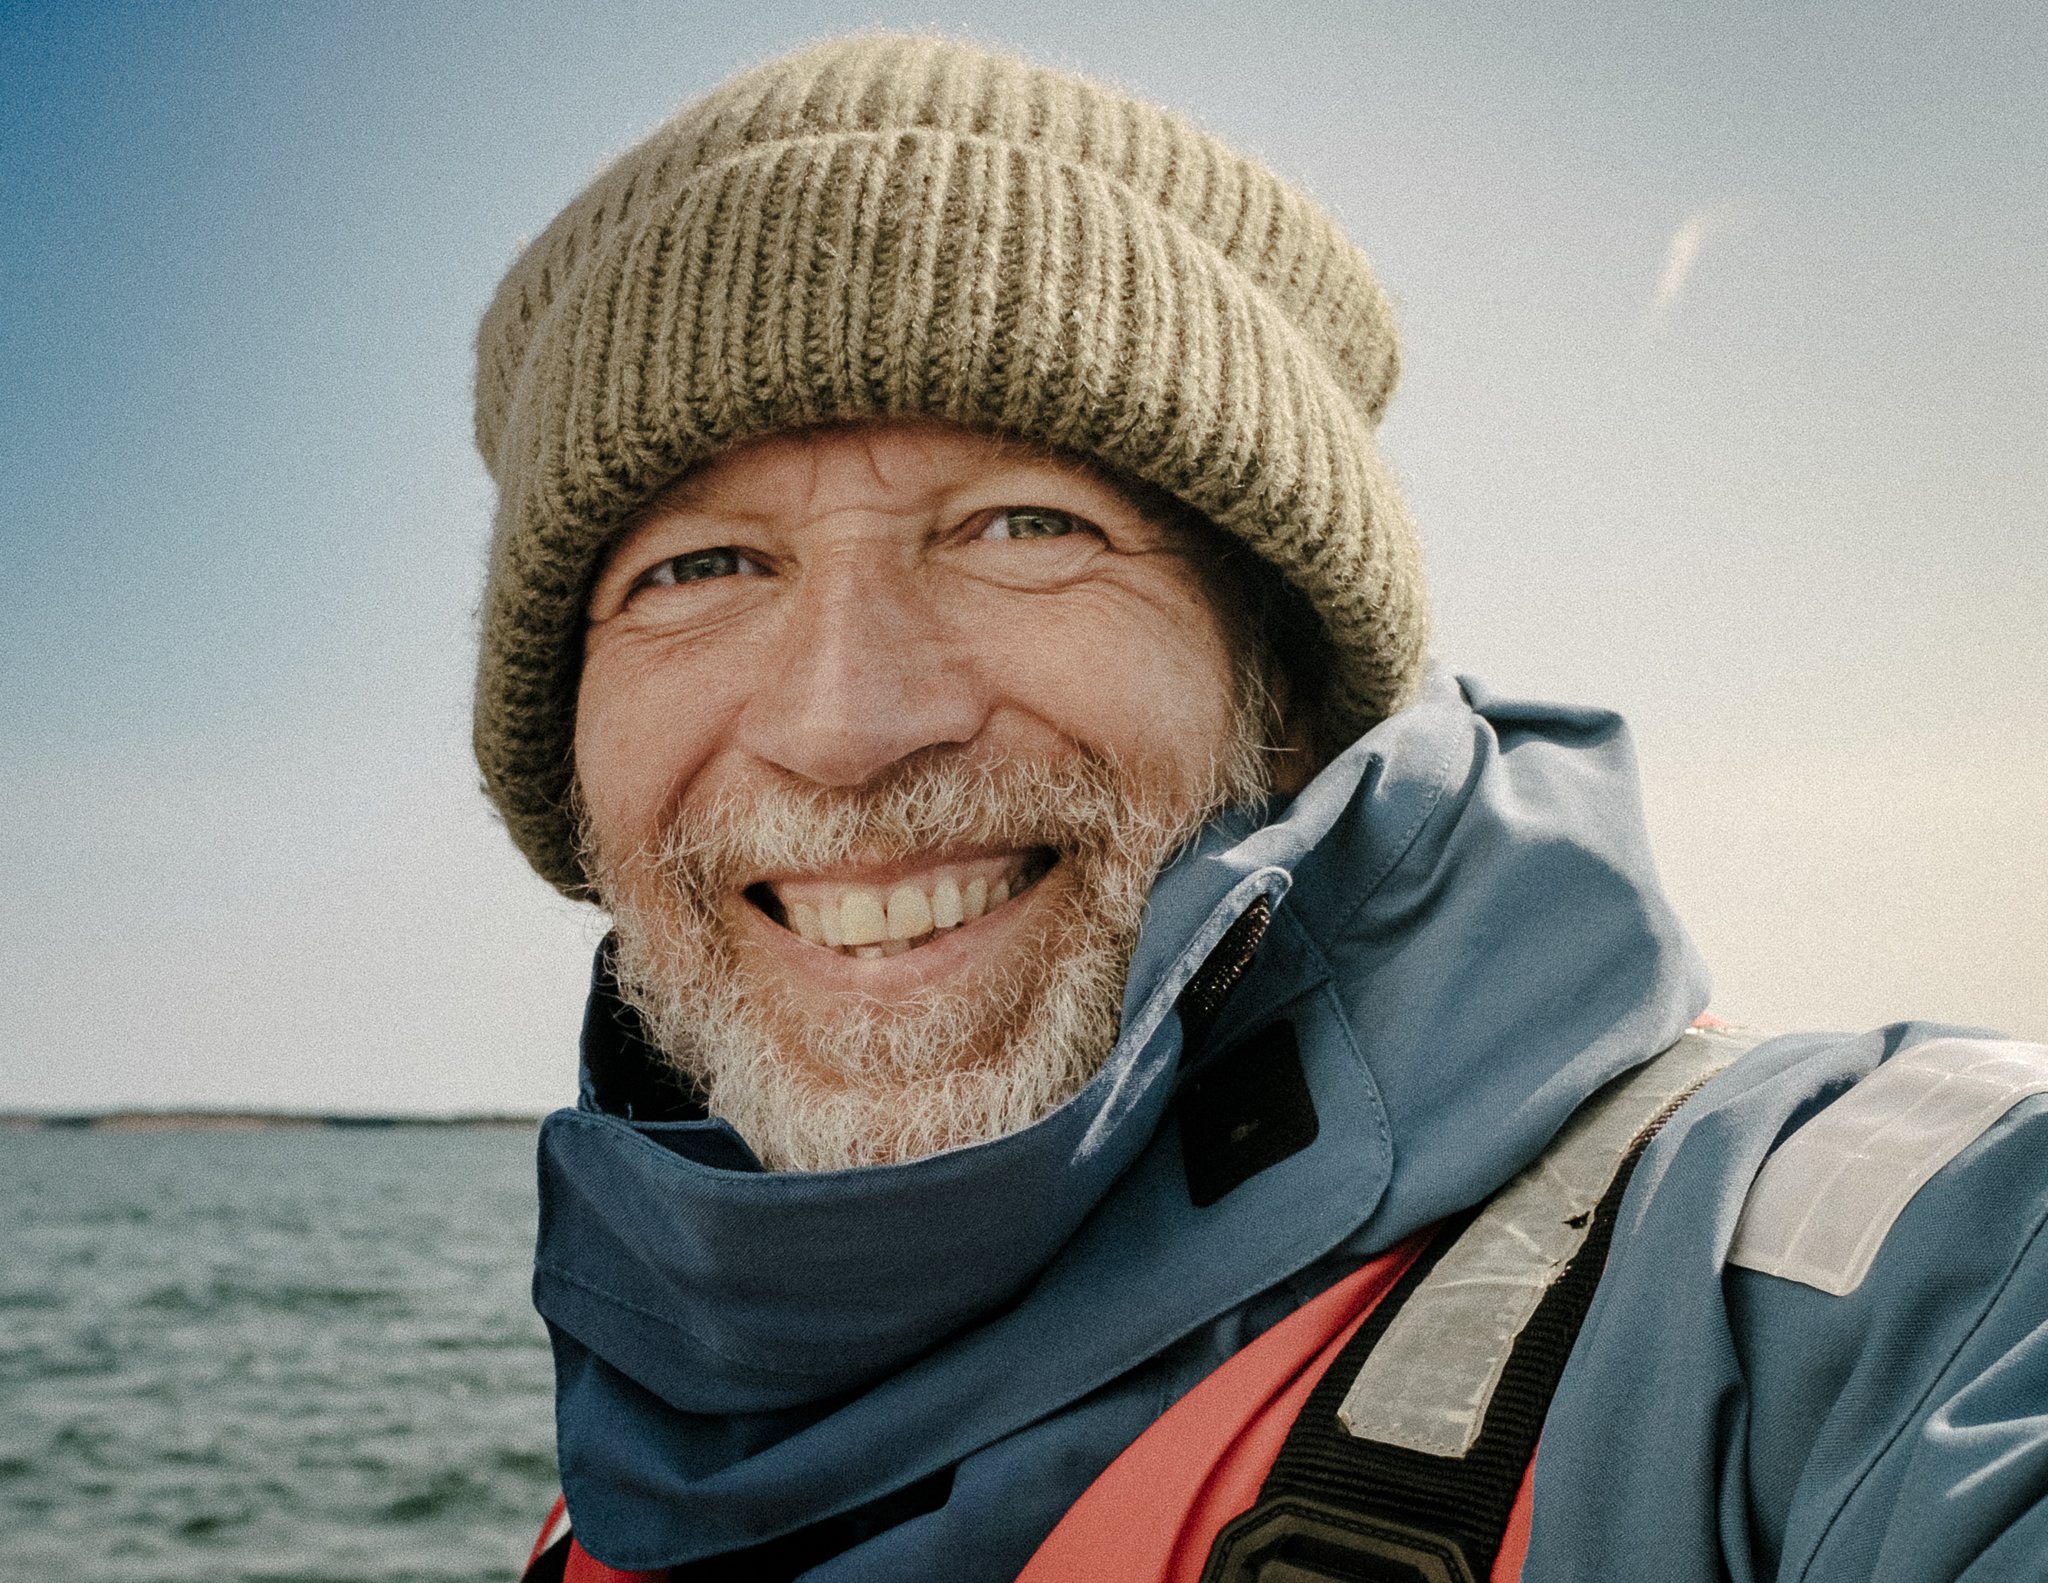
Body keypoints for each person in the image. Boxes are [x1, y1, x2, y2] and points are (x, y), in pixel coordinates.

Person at [470, 33, 2048, 1583]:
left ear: (1286, 688)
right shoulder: (609, 1498)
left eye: (1024, 527)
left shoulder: (1898, 1283)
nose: (843, 726)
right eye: (696, 568)